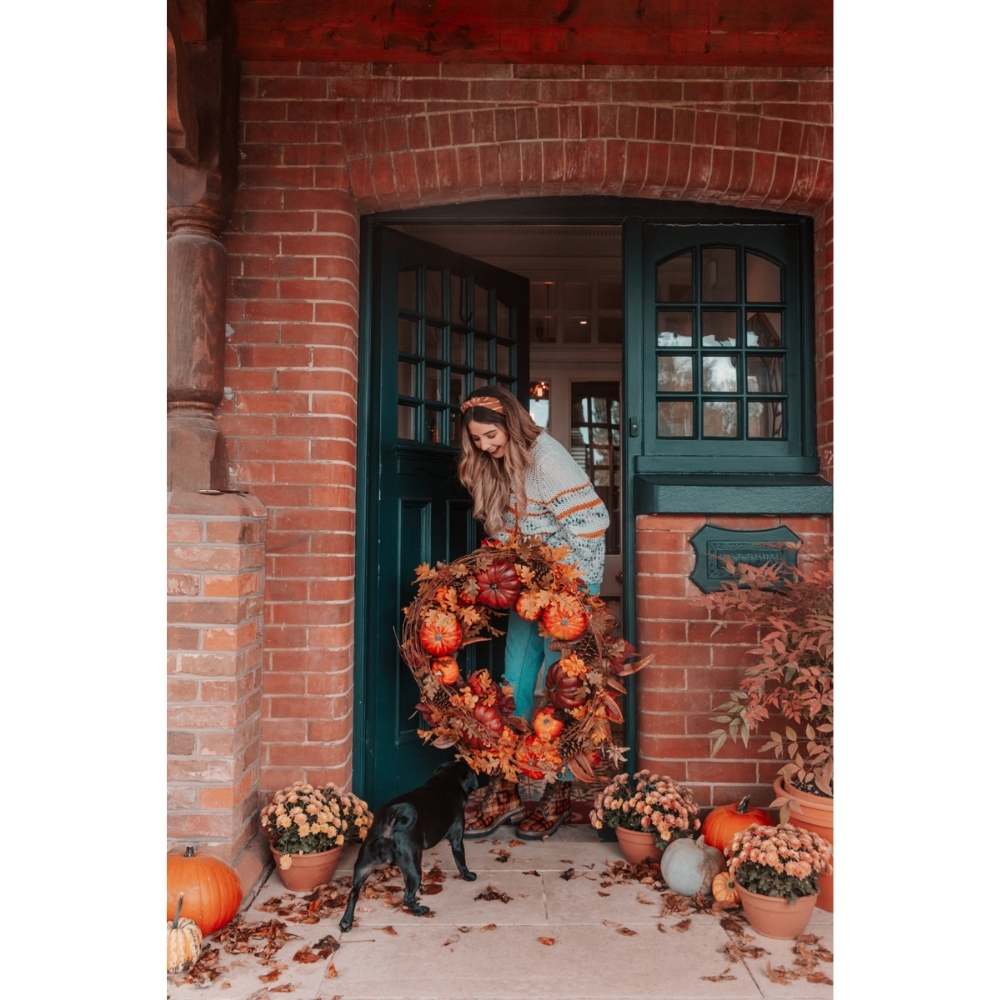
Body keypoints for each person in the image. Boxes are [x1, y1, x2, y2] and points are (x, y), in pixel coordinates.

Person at [456, 385, 609, 839]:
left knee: (562, 687)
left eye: (489, 435)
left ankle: (558, 793)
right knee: (514, 679)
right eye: (476, 440)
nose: (484, 446)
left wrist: (561, 581)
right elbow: (507, 531)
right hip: (530, 588)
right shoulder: (497, 465)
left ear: (509, 422)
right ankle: (509, 786)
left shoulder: (547, 458)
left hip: (569, 584)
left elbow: (592, 522)